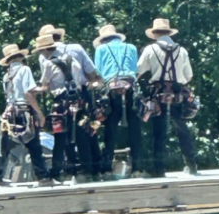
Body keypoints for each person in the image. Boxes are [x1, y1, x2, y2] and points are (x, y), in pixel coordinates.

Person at [37, 24, 104, 182]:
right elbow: (90, 75)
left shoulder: (45, 60)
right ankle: (88, 169)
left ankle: (64, 169)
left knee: (62, 137)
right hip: (79, 97)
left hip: (60, 101)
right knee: (84, 133)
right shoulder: (74, 53)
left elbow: (46, 84)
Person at [137, 17, 199, 177]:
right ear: (169, 32)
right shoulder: (182, 50)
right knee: (182, 128)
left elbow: (139, 71)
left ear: (155, 33)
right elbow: (188, 76)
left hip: (158, 92)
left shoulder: (150, 49)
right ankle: (191, 165)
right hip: (178, 92)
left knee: (159, 131)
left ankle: (159, 169)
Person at [0, 43, 51, 187]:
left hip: (10, 112)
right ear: (21, 57)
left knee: (4, 144)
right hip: (24, 111)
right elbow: (28, 93)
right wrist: (40, 114)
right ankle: (42, 176)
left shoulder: (7, 76)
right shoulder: (25, 70)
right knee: (34, 144)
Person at [33, 31, 87, 183]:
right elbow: (79, 80)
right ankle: (76, 167)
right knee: (73, 135)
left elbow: (44, 86)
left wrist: (34, 91)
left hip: (60, 103)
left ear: (44, 50)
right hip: (75, 102)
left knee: (59, 136)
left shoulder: (49, 63)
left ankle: (57, 170)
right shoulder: (72, 59)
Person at [93, 24, 142, 178]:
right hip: (130, 88)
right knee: (135, 129)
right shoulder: (131, 48)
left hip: (112, 89)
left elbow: (98, 73)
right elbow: (135, 71)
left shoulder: (100, 50)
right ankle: (138, 168)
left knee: (110, 128)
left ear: (103, 39)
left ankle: (106, 168)